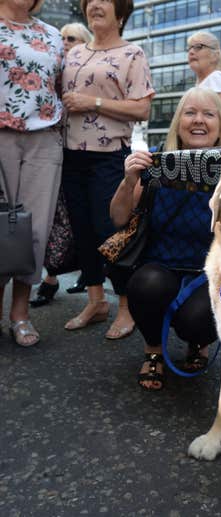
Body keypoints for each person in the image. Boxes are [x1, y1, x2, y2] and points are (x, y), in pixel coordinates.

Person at [110, 87, 221, 390]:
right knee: (146, 284)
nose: (199, 120)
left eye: (209, 113)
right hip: (159, 268)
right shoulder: (156, 162)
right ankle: (153, 350)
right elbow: (118, 218)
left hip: (209, 274)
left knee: (199, 319)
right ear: (178, 121)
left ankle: (198, 343)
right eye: (190, 112)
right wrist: (129, 181)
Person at [61, 0, 154, 340]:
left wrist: (92, 102)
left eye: (104, 1)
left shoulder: (133, 54)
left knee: (110, 230)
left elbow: (142, 108)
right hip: (70, 154)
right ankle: (96, 301)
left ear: (121, 13)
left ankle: (127, 307)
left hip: (109, 156)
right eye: (89, 1)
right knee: (82, 229)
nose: (95, 5)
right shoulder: (71, 53)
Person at [0, 0, 64, 346]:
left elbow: (59, 89)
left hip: (44, 138)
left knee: (33, 231)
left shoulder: (51, 34)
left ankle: (20, 315)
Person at [30, 21, 93, 308]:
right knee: (48, 219)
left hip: (80, 155)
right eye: (63, 38)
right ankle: (50, 278)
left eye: (73, 38)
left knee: (77, 219)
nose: (65, 42)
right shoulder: (50, 70)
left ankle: (88, 274)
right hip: (48, 150)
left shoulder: (90, 75)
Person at [187, 31, 221, 129]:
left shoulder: (215, 77)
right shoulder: (206, 82)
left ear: (214, 56)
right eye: (189, 48)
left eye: (198, 47)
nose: (191, 52)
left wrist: (204, 134)